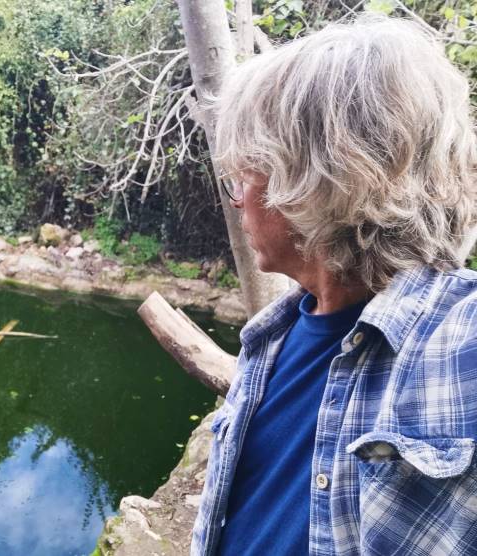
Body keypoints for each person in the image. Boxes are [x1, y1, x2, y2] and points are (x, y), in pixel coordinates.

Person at [191, 14, 477, 556]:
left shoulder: (461, 342)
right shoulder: (268, 338)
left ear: (313, 181)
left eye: (243, 177)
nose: (236, 200)